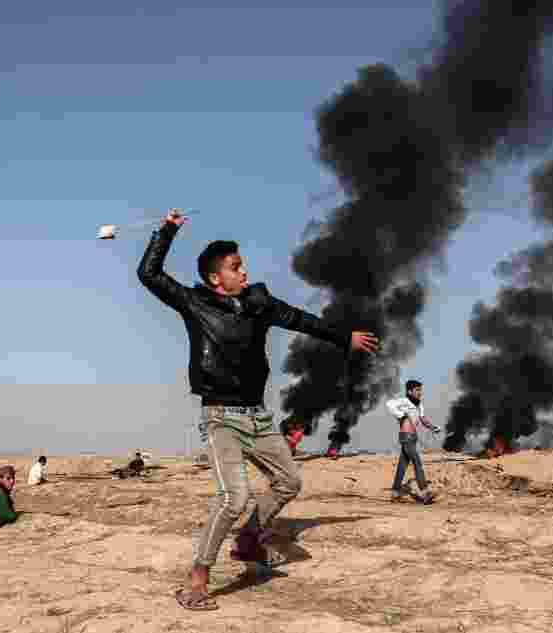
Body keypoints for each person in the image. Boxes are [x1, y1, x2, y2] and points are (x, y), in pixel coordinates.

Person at [137, 208, 378, 611]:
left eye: (243, 265)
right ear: (216, 278)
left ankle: (248, 538)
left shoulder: (259, 303)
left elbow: (301, 320)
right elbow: (150, 275)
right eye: (236, 267)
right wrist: (167, 231)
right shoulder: (195, 303)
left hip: (259, 417)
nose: (244, 272)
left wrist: (343, 337)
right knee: (234, 497)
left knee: (289, 482)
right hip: (221, 418)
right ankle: (197, 581)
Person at [386, 380, 440, 505]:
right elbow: (389, 404)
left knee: (402, 466)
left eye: (420, 390)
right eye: (417, 390)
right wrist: (401, 415)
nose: (420, 393)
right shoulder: (404, 402)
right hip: (406, 437)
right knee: (417, 462)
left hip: (413, 437)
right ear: (409, 391)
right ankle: (425, 492)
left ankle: (395, 492)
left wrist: (433, 427)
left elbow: (422, 418)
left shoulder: (419, 404)